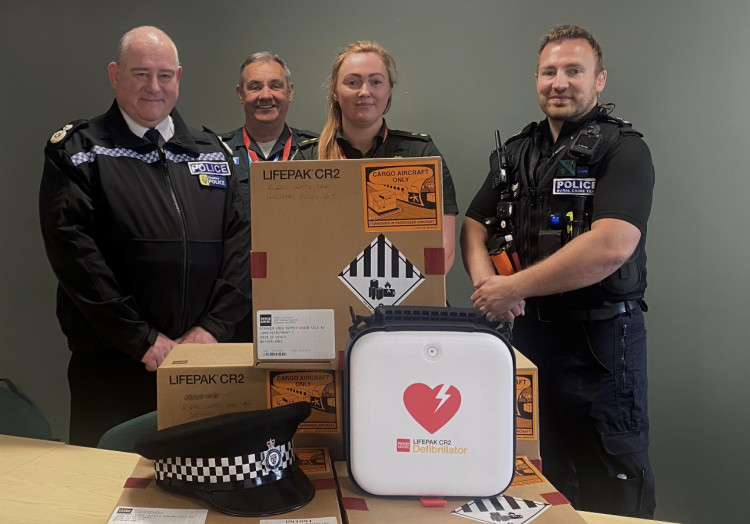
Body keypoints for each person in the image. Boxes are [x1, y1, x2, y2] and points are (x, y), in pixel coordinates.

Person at [461, 25, 655, 518]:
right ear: (537, 79)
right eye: (550, 72)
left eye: (574, 70)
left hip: (601, 345)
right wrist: (492, 288)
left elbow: (612, 245)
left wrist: (514, 286)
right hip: (525, 337)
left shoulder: (623, 149)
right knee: (534, 475)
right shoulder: (516, 152)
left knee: (610, 477)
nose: (559, 82)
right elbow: (473, 226)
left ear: (600, 79)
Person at [39, 26, 251, 447]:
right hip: (113, 365)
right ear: (115, 75)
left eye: (165, 75)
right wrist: (144, 341)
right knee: (105, 495)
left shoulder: (214, 153)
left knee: (198, 490)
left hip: (202, 364)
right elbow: (77, 258)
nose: (154, 87)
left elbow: (243, 249)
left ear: (179, 77)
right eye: (140, 74)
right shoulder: (78, 151)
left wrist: (210, 331)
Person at [297, 41, 459, 270]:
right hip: (328, 293)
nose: (365, 92)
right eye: (353, 82)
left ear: (389, 89)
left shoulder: (421, 155)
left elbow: (444, 250)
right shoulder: (306, 160)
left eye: (375, 82)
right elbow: (293, 243)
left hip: (405, 298)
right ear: (334, 90)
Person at [220, 52, 318, 342]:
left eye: (275, 85)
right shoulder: (217, 153)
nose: (266, 95)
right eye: (254, 86)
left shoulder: (319, 153)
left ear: (290, 92)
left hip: (303, 298)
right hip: (233, 302)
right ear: (240, 94)